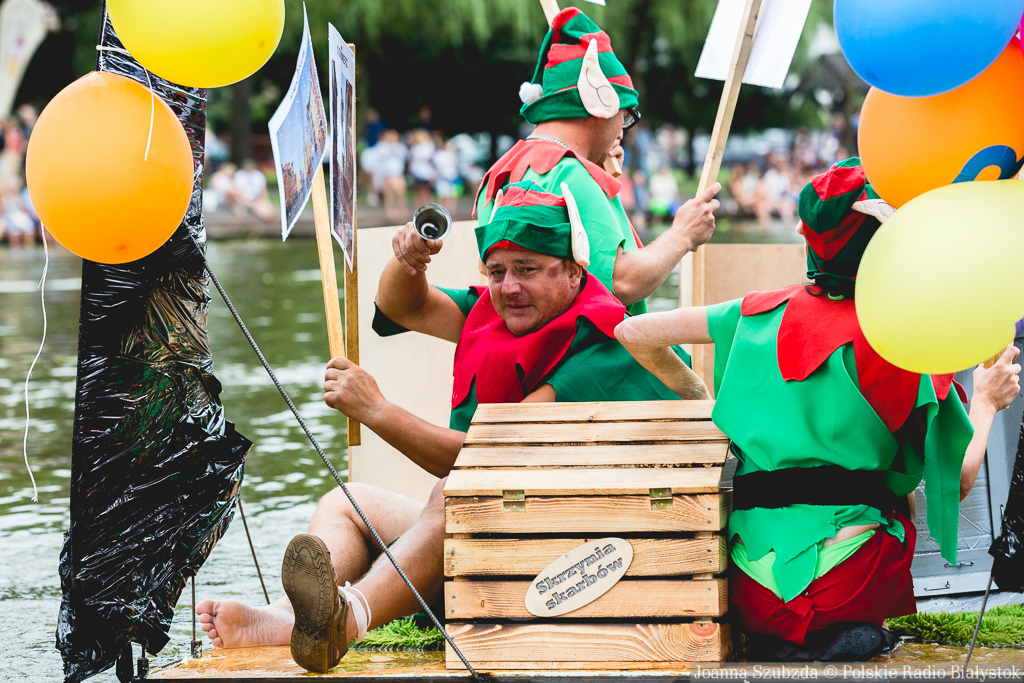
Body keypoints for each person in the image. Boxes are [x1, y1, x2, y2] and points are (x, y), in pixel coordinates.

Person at [195, 182, 707, 672]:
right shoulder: (500, 312)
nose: (509, 287)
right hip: (512, 534)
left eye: (527, 269)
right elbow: (405, 305)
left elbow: (481, 460)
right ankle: (291, 618)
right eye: (497, 270)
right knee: (346, 502)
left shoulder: (604, 343)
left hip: (579, 561)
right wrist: (408, 261)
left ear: (574, 272)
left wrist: (378, 411)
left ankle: (348, 619)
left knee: (454, 496)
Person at [614, 159, 1022, 662]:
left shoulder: (751, 311)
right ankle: (856, 628)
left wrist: (703, 401)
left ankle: (799, 633)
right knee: (899, 486)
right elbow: (955, 481)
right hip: (847, 587)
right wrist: (985, 401)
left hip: (752, 593)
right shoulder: (904, 339)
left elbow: (633, 332)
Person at [468, 7, 720, 316]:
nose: (621, 131)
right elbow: (619, 282)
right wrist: (683, 234)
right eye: (624, 116)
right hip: (584, 348)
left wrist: (597, 171)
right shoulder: (570, 174)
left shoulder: (498, 173)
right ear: (601, 105)